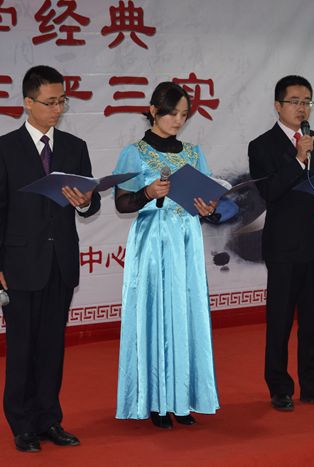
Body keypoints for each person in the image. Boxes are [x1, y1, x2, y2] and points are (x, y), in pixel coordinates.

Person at [0, 65, 101, 452]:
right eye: (50, 102)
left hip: (59, 262)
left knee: (51, 347)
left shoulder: (75, 147)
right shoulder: (3, 149)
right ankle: (22, 425)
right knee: (22, 348)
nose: (57, 109)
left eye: (62, 101)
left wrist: (85, 202)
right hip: (18, 265)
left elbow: (91, 200)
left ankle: (49, 419)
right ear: (28, 102)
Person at [112, 82, 220, 429]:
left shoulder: (193, 152)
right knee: (155, 313)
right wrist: (147, 192)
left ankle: (183, 398)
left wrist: (208, 208)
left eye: (184, 114)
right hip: (153, 242)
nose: (178, 120)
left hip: (187, 240)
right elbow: (121, 203)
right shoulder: (134, 153)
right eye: (172, 113)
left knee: (186, 311)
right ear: (154, 111)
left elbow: (208, 200)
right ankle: (157, 401)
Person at [247, 75, 314, 412]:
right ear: (278, 106)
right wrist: (296, 159)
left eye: (306, 101)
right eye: (294, 101)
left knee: (313, 320)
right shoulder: (261, 146)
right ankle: (279, 387)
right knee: (280, 320)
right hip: (284, 247)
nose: (301, 107)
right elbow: (270, 192)